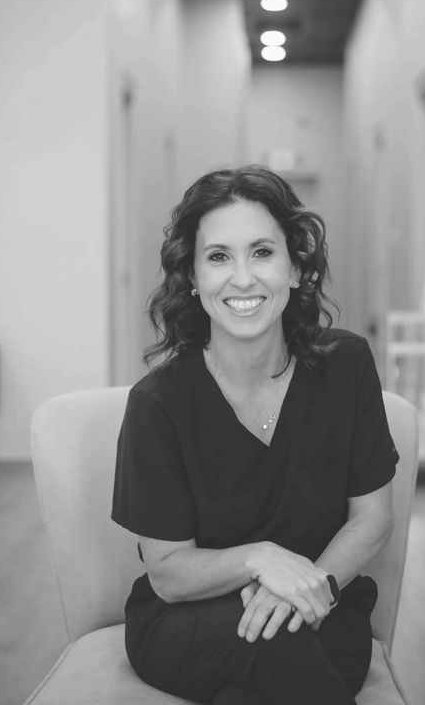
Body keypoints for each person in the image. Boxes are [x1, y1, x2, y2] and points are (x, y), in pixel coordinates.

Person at [111, 165, 399, 705]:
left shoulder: (348, 365)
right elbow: (169, 573)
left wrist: (310, 587)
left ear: (295, 268)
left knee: (269, 668)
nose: (242, 278)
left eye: (262, 252)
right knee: (276, 654)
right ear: (193, 277)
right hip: (188, 619)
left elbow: (373, 516)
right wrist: (260, 558)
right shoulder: (156, 404)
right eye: (219, 256)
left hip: (322, 602)